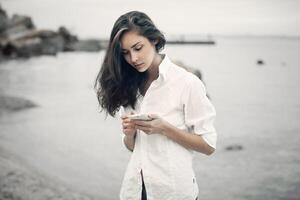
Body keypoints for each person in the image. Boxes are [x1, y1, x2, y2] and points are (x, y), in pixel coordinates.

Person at [94, 11, 217, 200]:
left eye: (138, 47)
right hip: (135, 191)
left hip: (173, 192)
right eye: (125, 53)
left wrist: (164, 128)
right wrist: (129, 134)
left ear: (154, 40)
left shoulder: (187, 83)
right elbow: (132, 148)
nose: (133, 58)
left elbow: (208, 146)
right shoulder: (129, 84)